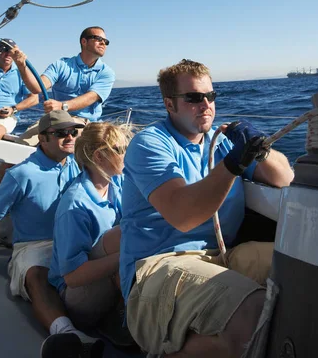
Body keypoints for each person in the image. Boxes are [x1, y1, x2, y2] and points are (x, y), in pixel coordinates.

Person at [120, 59, 295, 358]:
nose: (206, 104)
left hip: (221, 256)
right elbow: (183, 216)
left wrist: (259, 147)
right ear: (170, 104)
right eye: (193, 98)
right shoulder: (149, 144)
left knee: (307, 271)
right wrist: (232, 165)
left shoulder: (222, 142)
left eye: (210, 96)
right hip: (158, 266)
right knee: (250, 309)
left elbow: (284, 178)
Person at [0, 110, 104, 358]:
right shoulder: (21, 174)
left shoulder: (81, 165)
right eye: (61, 133)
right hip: (34, 245)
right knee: (36, 273)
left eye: (74, 131)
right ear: (42, 138)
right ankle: (67, 335)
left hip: (77, 237)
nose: (70, 137)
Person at [48, 121, 133, 330]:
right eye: (121, 150)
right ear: (99, 157)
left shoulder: (116, 182)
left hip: (107, 274)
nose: (127, 154)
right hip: (78, 297)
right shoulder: (75, 205)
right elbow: (73, 276)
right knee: (123, 236)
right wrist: (127, 256)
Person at [11, 26, 115, 146]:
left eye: (106, 41)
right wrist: (21, 66)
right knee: (20, 145)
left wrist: (62, 106)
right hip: (56, 118)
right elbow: (37, 87)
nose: (103, 43)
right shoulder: (61, 65)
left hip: (85, 122)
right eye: (98, 38)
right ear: (84, 41)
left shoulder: (106, 72)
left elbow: (91, 97)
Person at [0, 38, 38, 139]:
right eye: (4, 50)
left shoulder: (22, 73)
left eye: (12, 52)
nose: (8, 54)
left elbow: (34, 98)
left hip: (5, 118)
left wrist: (13, 109)